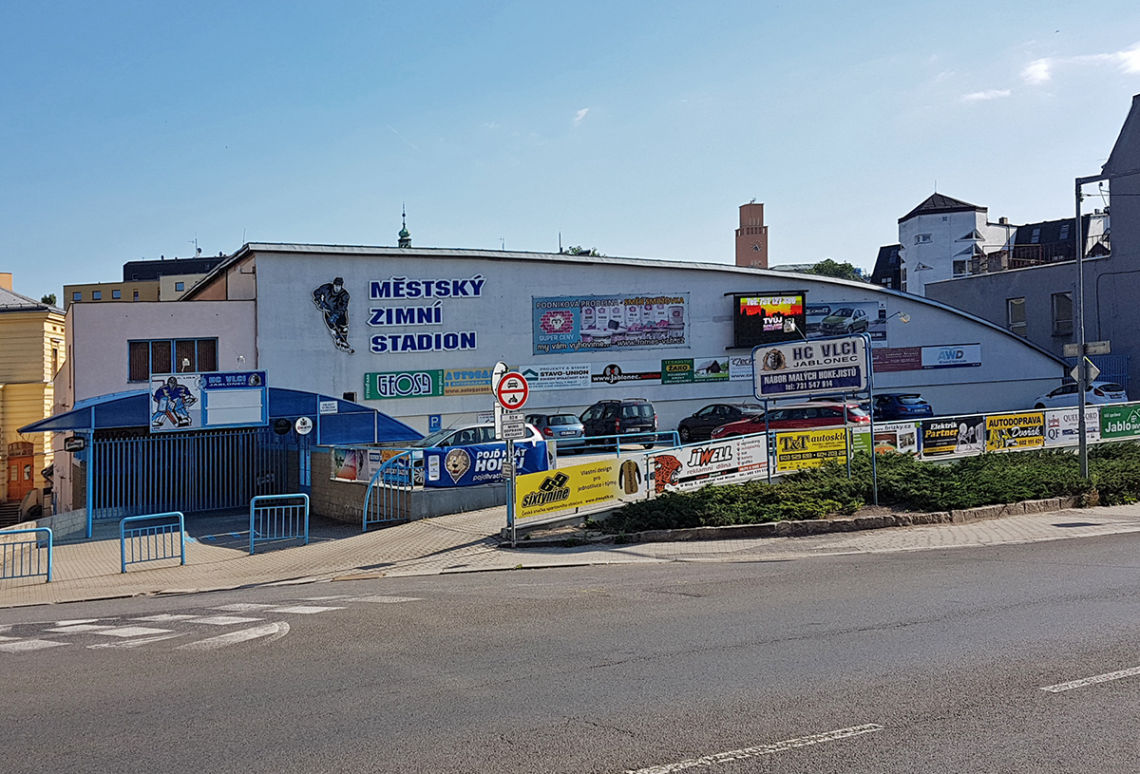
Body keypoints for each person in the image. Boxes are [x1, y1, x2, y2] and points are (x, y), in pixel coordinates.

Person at [313, 277, 353, 353]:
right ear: (333, 284)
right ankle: (338, 339)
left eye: (339, 286)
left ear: (341, 286)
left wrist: (336, 315)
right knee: (333, 329)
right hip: (328, 311)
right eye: (336, 285)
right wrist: (319, 301)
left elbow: (343, 307)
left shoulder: (345, 295)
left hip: (341, 314)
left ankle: (344, 341)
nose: (337, 287)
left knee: (343, 328)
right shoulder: (326, 288)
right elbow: (316, 293)